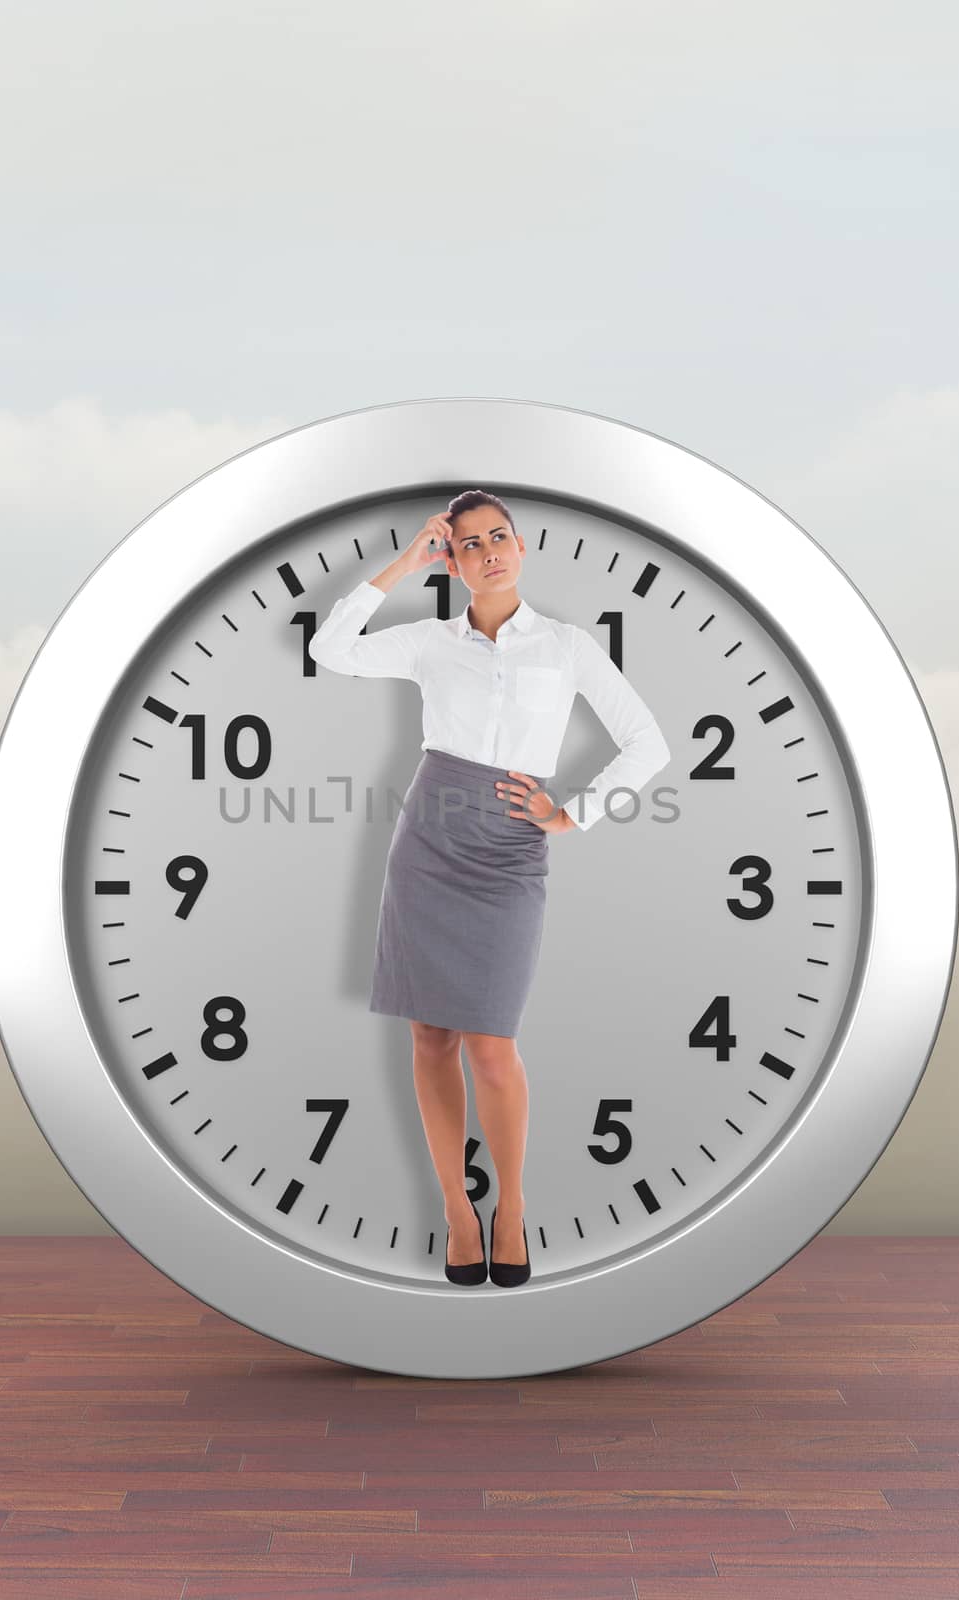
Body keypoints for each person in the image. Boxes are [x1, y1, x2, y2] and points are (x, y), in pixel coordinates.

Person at [308, 490, 670, 1287]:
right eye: (468, 544)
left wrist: (572, 814)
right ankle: (457, 1212)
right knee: (430, 1039)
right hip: (429, 841)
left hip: (509, 851)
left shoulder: (568, 647)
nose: (487, 552)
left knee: (494, 1047)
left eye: (498, 537)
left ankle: (511, 1209)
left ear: (522, 546)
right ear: (454, 560)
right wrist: (403, 562)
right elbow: (331, 649)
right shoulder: (431, 642)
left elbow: (649, 744)